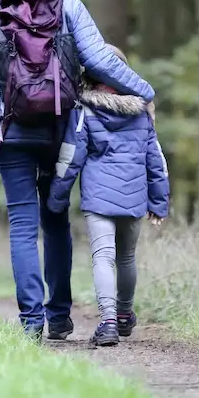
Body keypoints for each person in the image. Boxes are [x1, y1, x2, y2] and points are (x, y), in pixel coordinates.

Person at [0, 0, 155, 342]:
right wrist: (145, 92)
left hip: (11, 131)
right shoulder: (70, 6)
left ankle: (31, 322)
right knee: (55, 220)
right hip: (61, 128)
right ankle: (60, 317)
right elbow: (102, 60)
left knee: (21, 224)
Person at [47, 45, 169, 346]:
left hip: (99, 198)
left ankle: (109, 320)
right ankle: (125, 314)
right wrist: (159, 201)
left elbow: (70, 157)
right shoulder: (142, 112)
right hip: (134, 196)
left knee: (103, 257)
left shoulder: (84, 111)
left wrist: (57, 197)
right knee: (126, 257)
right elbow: (156, 160)